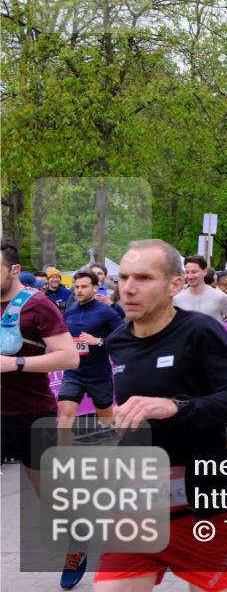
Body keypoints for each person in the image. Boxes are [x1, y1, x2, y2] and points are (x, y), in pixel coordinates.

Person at [94, 239, 227, 592]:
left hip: (200, 512)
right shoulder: (119, 340)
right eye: (122, 277)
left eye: (143, 277)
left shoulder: (200, 331)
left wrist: (176, 407)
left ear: (175, 284)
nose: (128, 288)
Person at [0, 242, 82, 589]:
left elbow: (69, 358)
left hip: (33, 416)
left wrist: (17, 363)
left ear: (14, 270)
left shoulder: (37, 306)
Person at [58, 270, 124, 433]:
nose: (79, 290)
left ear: (95, 288)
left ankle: (127, 438)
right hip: (73, 373)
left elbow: (124, 338)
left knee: (107, 419)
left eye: (84, 287)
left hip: (98, 375)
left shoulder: (106, 312)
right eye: (77, 286)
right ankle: (59, 456)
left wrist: (99, 341)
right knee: (65, 416)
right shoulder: (71, 310)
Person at [173, 255, 227, 323]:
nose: (189, 276)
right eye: (187, 272)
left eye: (194, 272)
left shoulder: (220, 297)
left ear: (204, 272)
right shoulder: (177, 299)